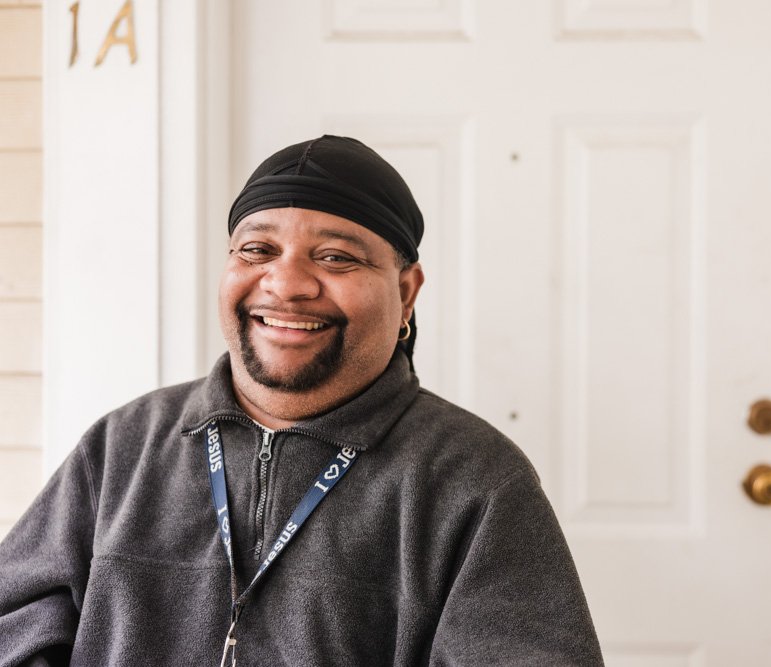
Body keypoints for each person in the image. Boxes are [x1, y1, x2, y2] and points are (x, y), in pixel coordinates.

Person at [0, 136, 604, 665]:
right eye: (257, 251)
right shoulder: (123, 446)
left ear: (406, 292)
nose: (286, 284)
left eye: (336, 257)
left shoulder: (476, 481)